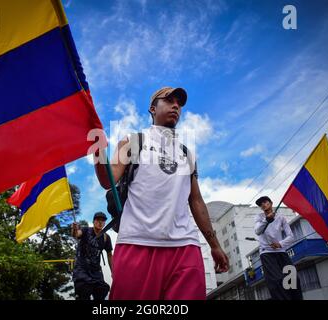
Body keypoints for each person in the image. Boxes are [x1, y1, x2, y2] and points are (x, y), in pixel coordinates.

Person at [94, 87, 229, 300]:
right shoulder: (134, 141)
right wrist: (97, 152)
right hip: (137, 243)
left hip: (185, 246)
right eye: (168, 100)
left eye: (179, 103)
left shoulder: (187, 153)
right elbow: (106, 180)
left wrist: (214, 245)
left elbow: (196, 201)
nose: (176, 105)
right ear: (152, 108)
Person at [254, 196, 303, 300]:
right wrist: (267, 219)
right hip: (266, 253)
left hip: (281, 251)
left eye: (265, 202)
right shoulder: (259, 217)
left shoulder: (281, 218)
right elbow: (258, 231)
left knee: (292, 279)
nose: (263, 204)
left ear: (271, 203)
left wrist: (280, 244)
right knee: (277, 280)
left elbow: (291, 236)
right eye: (260, 204)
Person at [71, 212, 113, 300]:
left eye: (103, 220)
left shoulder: (106, 237)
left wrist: (113, 272)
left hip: (96, 272)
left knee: (102, 290)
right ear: (93, 221)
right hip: (81, 270)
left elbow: (109, 255)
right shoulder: (86, 230)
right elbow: (76, 234)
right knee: (83, 291)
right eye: (98, 220)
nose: (100, 222)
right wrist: (74, 229)